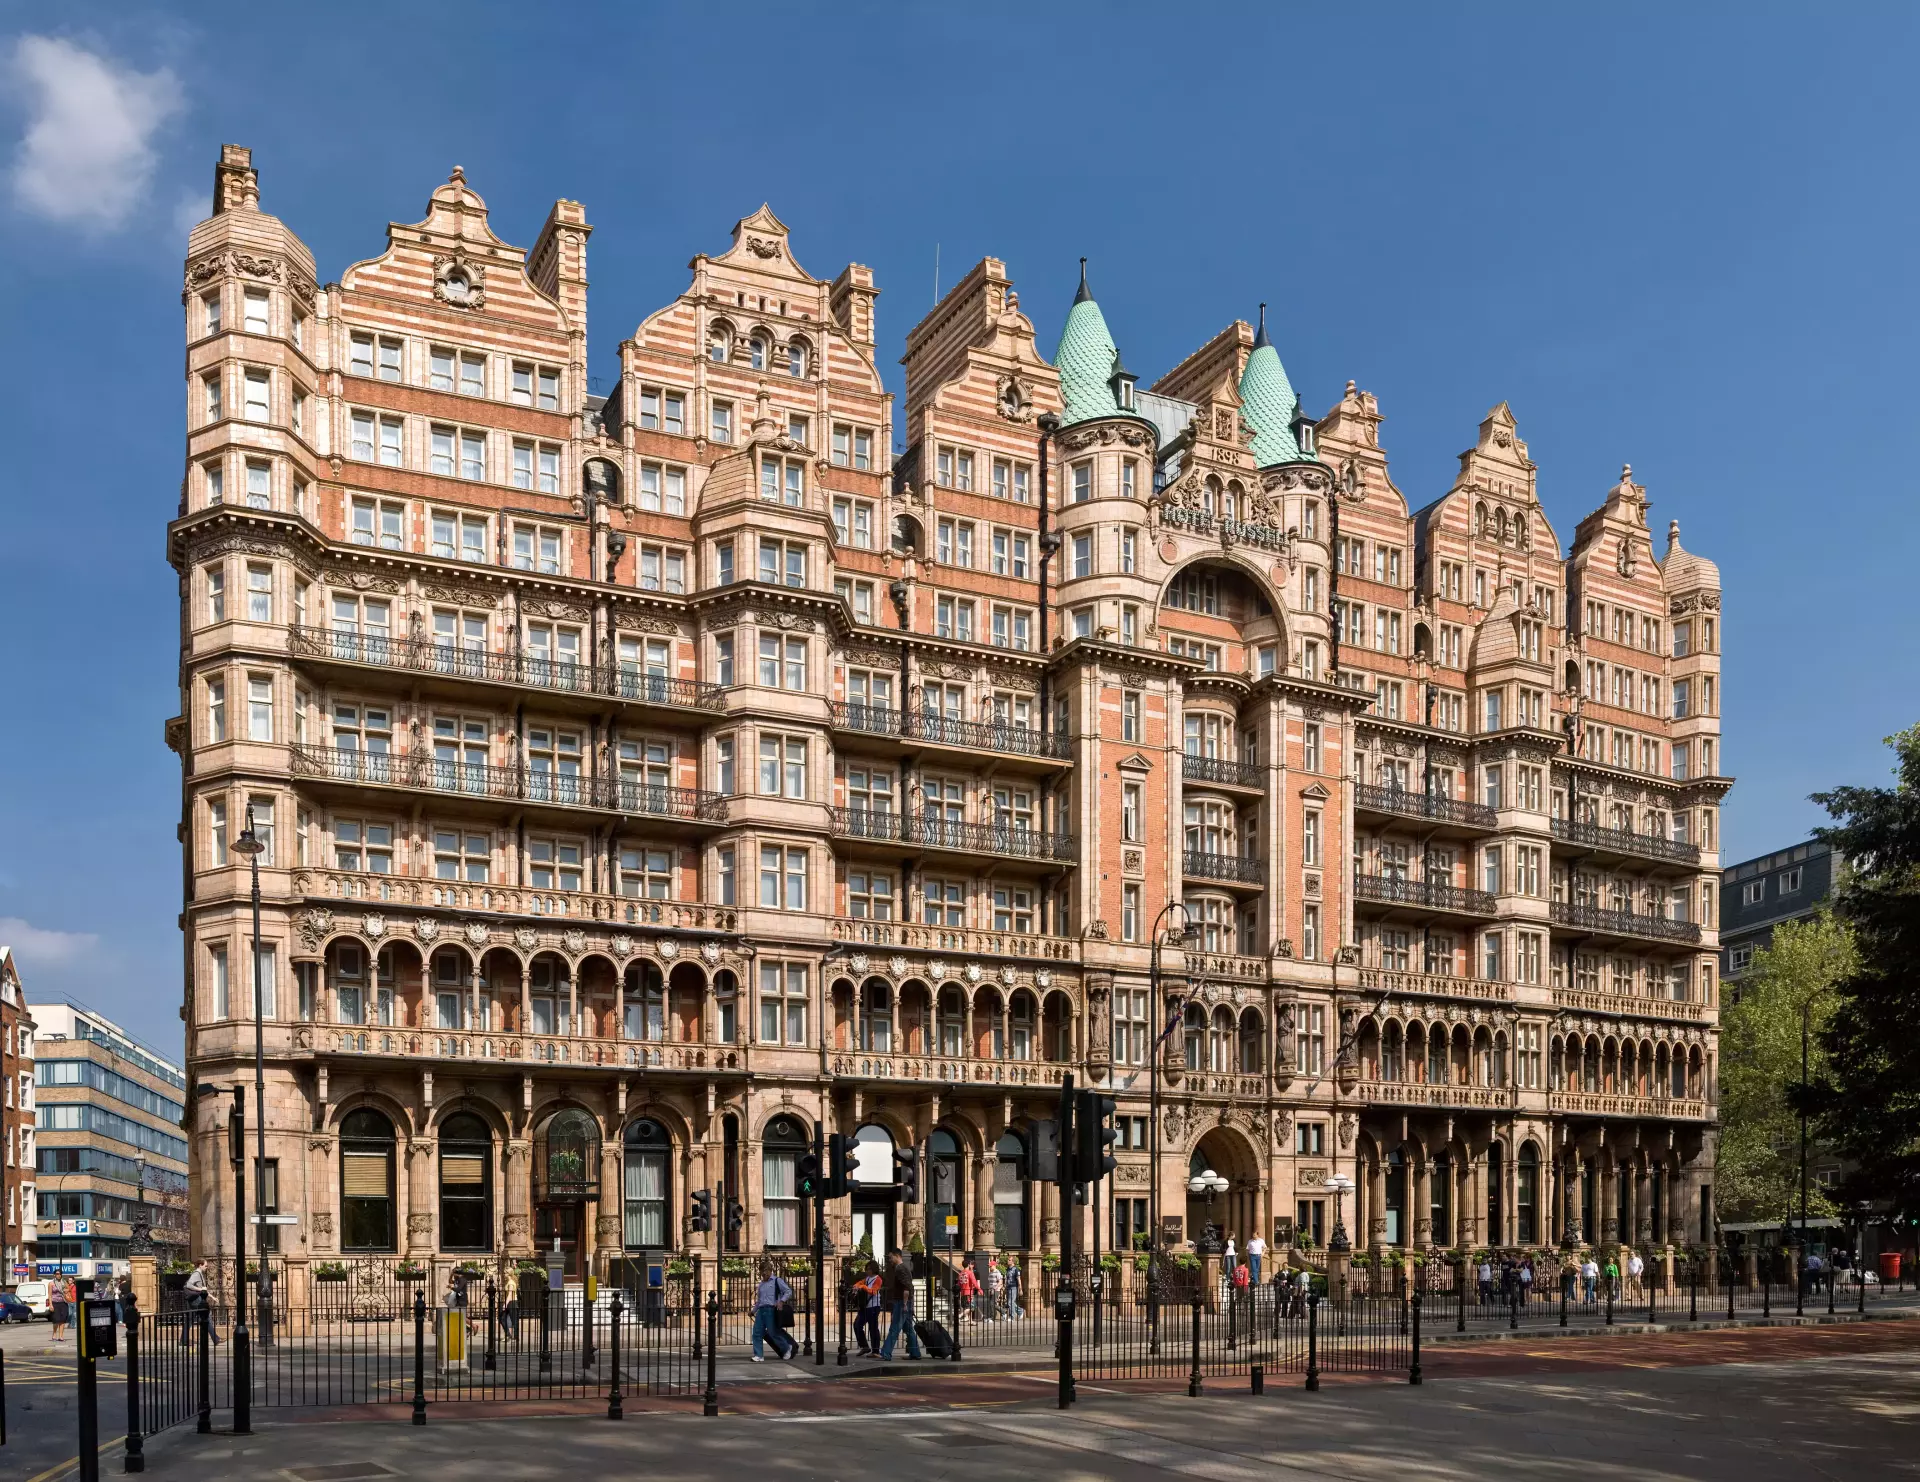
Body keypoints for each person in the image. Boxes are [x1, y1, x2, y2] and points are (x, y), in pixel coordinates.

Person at [877, 1248, 923, 1361]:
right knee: (908, 1329)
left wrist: (905, 1304)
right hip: (904, 1302)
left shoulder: (900, 1269)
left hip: (902, 1302)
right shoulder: (901, 1268)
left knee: (894, 1328)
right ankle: (915, 1353)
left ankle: (886, 1353)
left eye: (890, 1257)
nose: (889, 1259)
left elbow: (907, 1287)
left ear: (897, 1256)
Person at [750, 1259, 796, 1362]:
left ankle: (787, 1347)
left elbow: (788, 1291)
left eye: (765, 1270)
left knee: (773, 1332)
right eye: (762, 1271)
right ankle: (759, 1355)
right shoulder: (761, 1284)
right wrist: (753, 1311)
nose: (763, 1273)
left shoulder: (777, 1281)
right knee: (757, 1333)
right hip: (761, 1311)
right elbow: (759, 1301)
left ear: (770, 1270)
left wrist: (781, 1301)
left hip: (771, 1310)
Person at [180, 1259, 219, 1347]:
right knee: (207, 1317)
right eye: (205, 1265)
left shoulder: (199, 1274)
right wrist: (200, 1289)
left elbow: (204, 1289)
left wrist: (212, 1297)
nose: (206, 1267)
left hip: (194, 1300)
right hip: (196, 1300)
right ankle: (215, 1339)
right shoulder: (196, 1274)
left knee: (189, 1320)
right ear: (200, 1265)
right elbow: (189, 1285)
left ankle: (183, 1340)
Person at [851, 1260, 884, 1356]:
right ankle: (864, 1346)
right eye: (867, 1269)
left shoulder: (878, 1279)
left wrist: (863, 1287)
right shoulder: (868, 1278)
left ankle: (875, 1350)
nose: (867, 1271)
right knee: (857, 1325)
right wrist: (858, 1286)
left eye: (869, 1269)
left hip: (873, 1306)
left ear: (874, 1269)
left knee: (873, 1328)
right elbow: (858, 1284)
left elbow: (873, 1291)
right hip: (865, 1306)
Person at [956, 1258, 981, 1323]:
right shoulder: (970, 1273)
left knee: (967, 1307)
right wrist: (980, 1290)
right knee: (971, 1307)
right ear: (968, 1265)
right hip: (969, 1292)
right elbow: (974, 1282)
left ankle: (970, 1321)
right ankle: (959, 1315)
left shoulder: (960, 1273)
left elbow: (958, 1284)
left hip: (963, 1292)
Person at [49, 1278, 70, 1344]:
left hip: (63, 1302)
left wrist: (66, 1290)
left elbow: (68, 1289)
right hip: (55, 1303)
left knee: (63, 1320)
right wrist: (50, 1304)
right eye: (57, 1273)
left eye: (60, 1273)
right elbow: (50, 1295)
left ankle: (61, 1336)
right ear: (54, 1275)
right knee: (56, 1320)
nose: (59, 1275)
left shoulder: (64, 1282)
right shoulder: (51, 1283)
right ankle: (54, 1334)